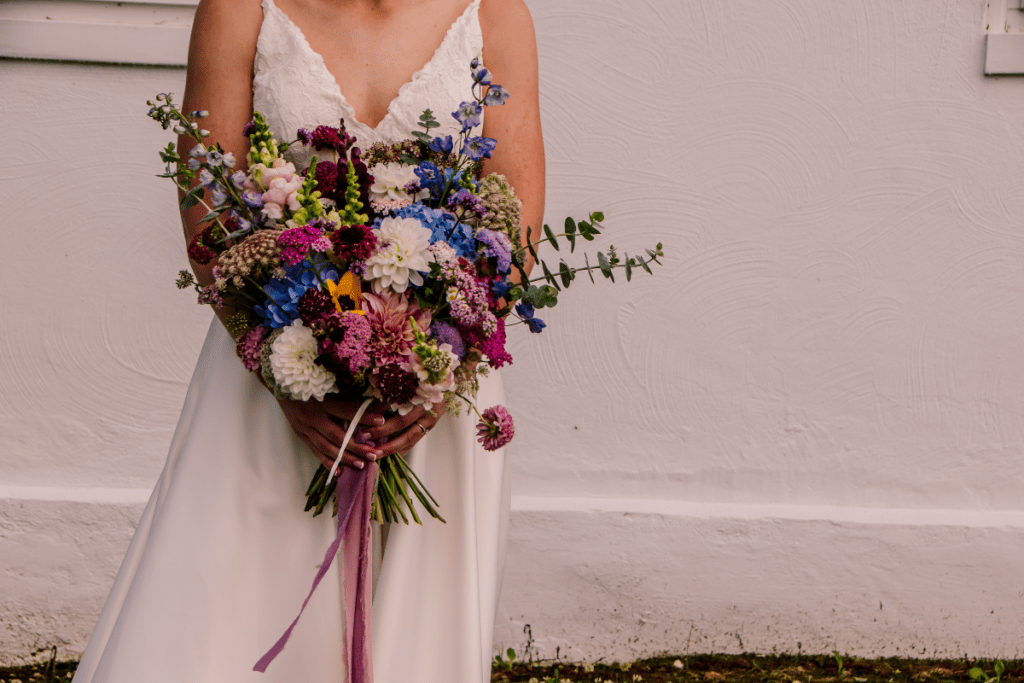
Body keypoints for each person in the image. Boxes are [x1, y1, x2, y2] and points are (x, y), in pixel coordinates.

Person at [71, 0, 544, 680]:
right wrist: (277, 368)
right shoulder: (238, 10)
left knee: (417, 639)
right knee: (223, 625)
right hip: (275, 384)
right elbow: (207, 218)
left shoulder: (496, 14)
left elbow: (516, 219)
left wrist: (443, 368)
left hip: (432, 401)